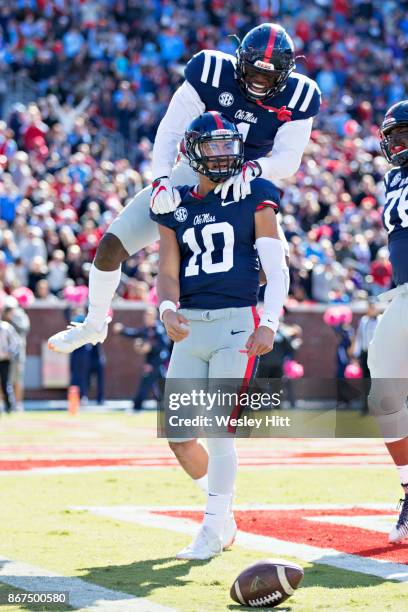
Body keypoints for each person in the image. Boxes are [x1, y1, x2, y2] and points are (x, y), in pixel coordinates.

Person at [48, 22, 320, 353]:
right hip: (196, 171)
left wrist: (254, 168)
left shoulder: (301, 95)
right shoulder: (210, 71)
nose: (259, 81)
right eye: (253, 71)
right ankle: (93, 324)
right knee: (110, 247)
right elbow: (171, 130)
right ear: (239, 62)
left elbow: (289, 159)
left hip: (246, 180)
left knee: (269, 268)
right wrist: (162, 179)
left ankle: (243, 325)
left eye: (269, 75)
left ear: (285, 74)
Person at [151, 111, 288, 560]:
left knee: (219, 428)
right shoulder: (175, 204)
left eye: (230, 145)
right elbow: (167, 271)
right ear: (192, 150)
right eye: (212, 146)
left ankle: (212, 526)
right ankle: (223, 513)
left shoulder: (257, 193)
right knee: (179, 437)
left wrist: (270, 320)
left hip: (236, 325)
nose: (224, 154)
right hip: (191, 327)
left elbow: (276, 263)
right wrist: (167, 308)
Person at [368, 100, 408, 543]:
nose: (399, 145)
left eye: (407, 136)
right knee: (384, 394)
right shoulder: (392, 177)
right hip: (403, 294)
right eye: (394, 137)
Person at [113, 307, 170, 411]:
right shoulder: (146, 329)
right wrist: (122, 330)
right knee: (162, 385)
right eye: (146, 315)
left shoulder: (158, 329)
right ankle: (167, 405)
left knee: (147, 384)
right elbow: (134, 333)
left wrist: (150, 347)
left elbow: (164, 345)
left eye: (149, 316)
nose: (146, 318)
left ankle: (137, 406)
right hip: (151, 362)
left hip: (156, 363)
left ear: (154, 317)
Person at [2, 296, 30, 411]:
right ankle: (6, 403)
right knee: (5, 380)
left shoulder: (20, 316)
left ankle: (18, 404)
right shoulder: (4, 318)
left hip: (18, 353)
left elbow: (24, 329)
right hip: (5, 355)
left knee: (17, 379)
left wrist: (12, 319)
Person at [0, 313, 20, 413]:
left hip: (4, 360)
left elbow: (15, 342)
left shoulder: (6, 327)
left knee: (5, 383)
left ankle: (9, 406)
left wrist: (9, 352)